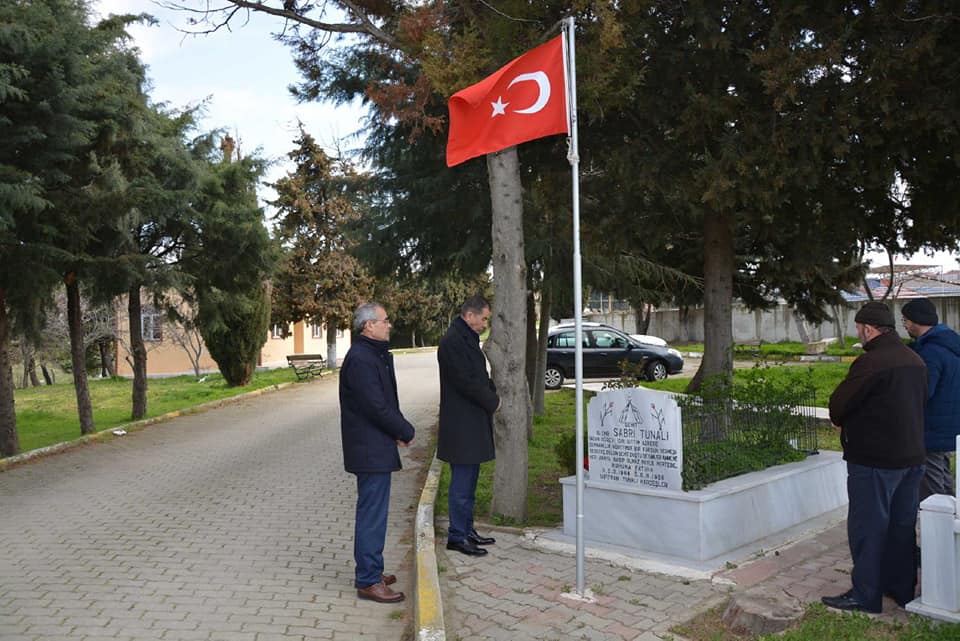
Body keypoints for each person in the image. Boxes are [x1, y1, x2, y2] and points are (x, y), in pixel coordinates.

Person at [821, 301, 927, 613]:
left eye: (858, 329)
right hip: (912, 458)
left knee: (868, 528)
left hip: (874, 460)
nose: (859, 334)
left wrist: (842, 418)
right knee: (902, 526)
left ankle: (866, 595)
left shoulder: (871, 362)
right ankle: (901, 588)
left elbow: (839, 405)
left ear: (868, 329)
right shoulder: (915, 359)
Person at [339, 302, 415, 603]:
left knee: (375, 513)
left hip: (374, 444)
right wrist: (404, 430)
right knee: (372, 514)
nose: (389, 325)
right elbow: (376, 406)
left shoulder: (372, 354)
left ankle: (372, 570)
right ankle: (369, 580)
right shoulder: (361, 359)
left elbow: (382, 403)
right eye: (385, 321)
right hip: (368, 449)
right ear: (368, 326)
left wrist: (394, 432)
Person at [437, 295, 500, 557]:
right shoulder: (453, 341)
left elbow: (481, 377)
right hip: (461, 425)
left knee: (470, 483)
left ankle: (467, 529)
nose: (485, 323)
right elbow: (468, 382)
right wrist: (493, 401)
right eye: (484, 318)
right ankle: (457, 536)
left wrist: (490, 394)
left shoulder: (467, 338)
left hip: (471, 422)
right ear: (469, 315)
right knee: (461, 485)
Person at [901, 297, 960, 499]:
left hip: (931, 429)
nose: (905, 326)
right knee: (944, 480)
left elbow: (923, 392)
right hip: (947, 425)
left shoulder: (931, 352)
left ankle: (939, 529)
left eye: (905, 321)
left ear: (915, 320)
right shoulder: (949, 346)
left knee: (932, 493)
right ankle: (952, 524)